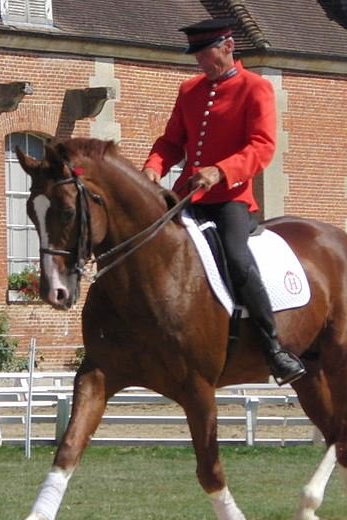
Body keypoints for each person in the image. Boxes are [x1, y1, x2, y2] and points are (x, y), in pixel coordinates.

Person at [142, 17, 305, 385]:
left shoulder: (256, 87)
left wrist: (220, 171)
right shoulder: (189, 90)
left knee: (236, 258)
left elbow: (262, 146)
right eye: (197, 55)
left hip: (232, 198)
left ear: (229, 46)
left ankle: (273, 348)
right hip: (188, 195)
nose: (200, 62)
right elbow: (171, 142)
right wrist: (153, 167)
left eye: (206, 54)